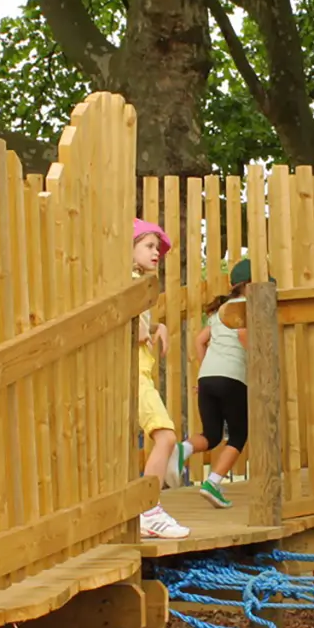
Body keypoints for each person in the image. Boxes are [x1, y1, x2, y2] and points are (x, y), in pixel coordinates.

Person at [177, 258, 252, 509]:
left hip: (207, 378)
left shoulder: (221, 310)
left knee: (211, 435)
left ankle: (182, 450)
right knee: (239, 434)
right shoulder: (245, 308)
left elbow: (200, 341)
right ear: (250, 285)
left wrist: (206, 371)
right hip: (232, 377)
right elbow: (244, 337)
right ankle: (213, 482)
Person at [132, 219, 189, 540]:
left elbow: (139, 326)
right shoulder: (129, 285)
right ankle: (149, 510)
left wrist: (157, 327)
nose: (156, 253)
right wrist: (136, 325)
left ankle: (144, 510)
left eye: (157, 248)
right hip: (135, 376)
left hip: (140, 374)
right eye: (149, 246)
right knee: (166, 437)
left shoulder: (140, 285)